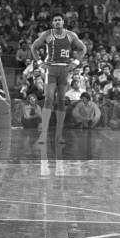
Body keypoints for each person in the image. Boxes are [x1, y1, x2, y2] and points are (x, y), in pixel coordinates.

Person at [30, 12, 86, 143]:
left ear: (63, 22)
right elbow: (34, 47)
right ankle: (43, 135)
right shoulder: (47, 34)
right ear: (52, 23)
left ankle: (59, 136)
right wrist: (39, 63)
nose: (57, 22)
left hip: (65, 69)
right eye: (55, 20)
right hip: (51, 68)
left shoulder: (71, 35)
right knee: (49, 98)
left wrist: (76, 63)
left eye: (59, 20)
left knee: (61, 100)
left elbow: (83, 49)